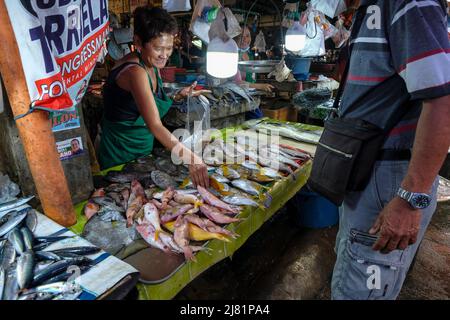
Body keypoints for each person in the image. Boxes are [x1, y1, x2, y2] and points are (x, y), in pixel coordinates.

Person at [320, 0, 450, 300]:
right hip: (367, 170)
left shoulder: (407, 2)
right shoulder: (374, 6)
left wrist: (409, 198)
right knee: (352, 266)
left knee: (363, 287)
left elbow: (442, 102)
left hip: (390, 176)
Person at [98, 6, 209, 188]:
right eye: (158, 48)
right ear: (138, 42)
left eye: (169, 48)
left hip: (142, 152)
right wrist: (191, 159)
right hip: (120, 154)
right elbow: (155, 125)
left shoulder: (151, 65)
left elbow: (146, 103)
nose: (164, 55)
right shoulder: (135, 72)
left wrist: (177, 96)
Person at [234, 25, 275, 120]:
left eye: (247, 36)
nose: (245, 39)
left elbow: (251, 77)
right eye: (241, 36)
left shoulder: (249, 55)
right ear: (235, 38)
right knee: (257, 119)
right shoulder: (233, 55)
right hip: (238, 97)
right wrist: (260, 86)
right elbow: (237, 82)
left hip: (250, 96)